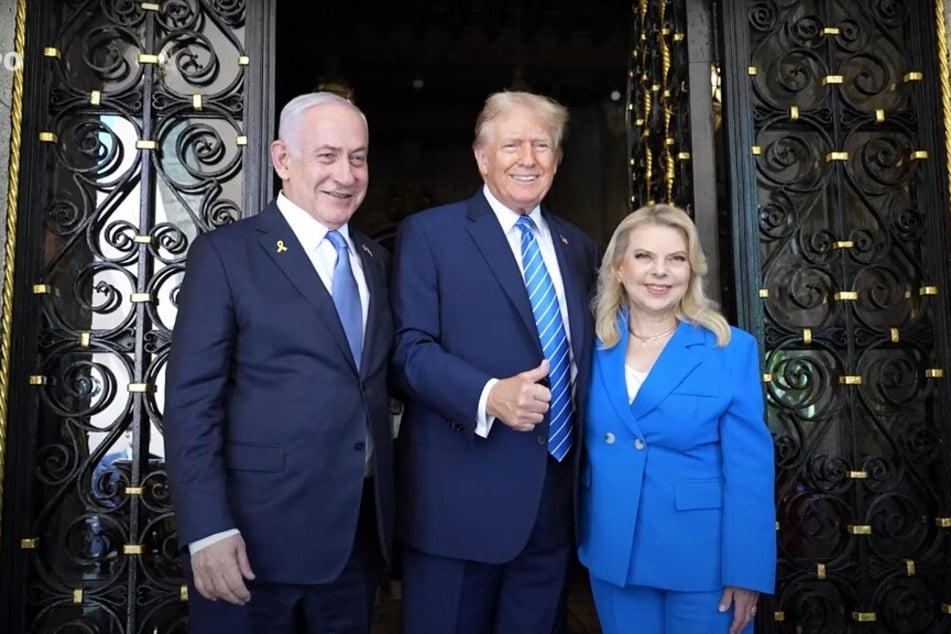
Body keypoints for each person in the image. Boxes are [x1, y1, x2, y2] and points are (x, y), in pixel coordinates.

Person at [163, 92, 394, 634]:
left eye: (358, 158)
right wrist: (208, 529)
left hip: (354, 544)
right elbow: (192, 402)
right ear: (282, 160)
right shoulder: (226, 254)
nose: (346, 174)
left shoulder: (374, 259)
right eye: (328, 155)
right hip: (250, 546)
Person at [391, 90, 599, 633]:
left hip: (552, 509)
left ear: (557, 159)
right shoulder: (430, 234)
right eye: (512, 144)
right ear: (482, 157)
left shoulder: (579, 247)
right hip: (457, 506)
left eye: (542, 144)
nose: (527, 159)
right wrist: (488, 395)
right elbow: (408, 352)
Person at [578, 204, 775, 634]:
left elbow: (750, 471)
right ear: (618, 268)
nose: (660, 272)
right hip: (615, 552)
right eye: (644, 257)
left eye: (676, 258)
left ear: (692, 270)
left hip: (704, 560)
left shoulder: (729, 348)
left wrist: (748, 569)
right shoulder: (586, 345)